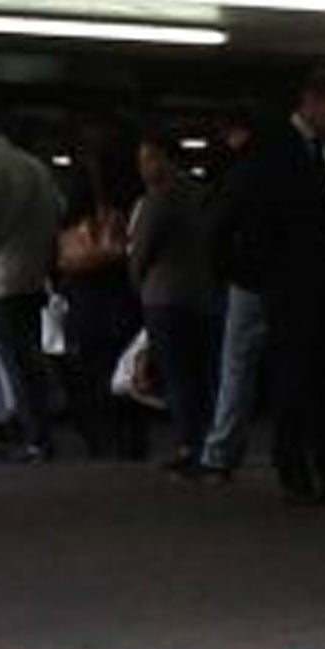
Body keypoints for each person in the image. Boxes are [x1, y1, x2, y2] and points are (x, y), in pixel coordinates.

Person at [242, 68, 325, 502]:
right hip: (291, 282)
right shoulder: (276, 147)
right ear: (311, 100)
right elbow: (276, 208)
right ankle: (294, 463)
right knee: (294, 375)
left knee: (324, 375)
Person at [129, 135, 221, 475]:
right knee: (206, 374)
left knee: (179, 377)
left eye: (150, 158)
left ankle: (190, 445)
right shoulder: (203, 195)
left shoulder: (158, 200)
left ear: (167, 159)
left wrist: (137, 285)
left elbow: (141, 253)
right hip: (205, 296)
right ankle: (212, 443)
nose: (144, 168)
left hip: (165, 298)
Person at [56, 162, 147, 461]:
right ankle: (131, 441)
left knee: (89, 379)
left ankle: (102, 441)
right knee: (123, 375)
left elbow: (63, 264)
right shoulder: (122, 215)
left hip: (85, 309)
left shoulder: (70, 227)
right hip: (121, 305)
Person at [197, 108, 269, 480]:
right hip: (279, 277)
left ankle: (219, 452)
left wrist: (225, 271)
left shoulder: (237, 175)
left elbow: (216, 228)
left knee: (236, 366)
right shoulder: (280, 168)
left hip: (248, 280)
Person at [0, 125, 64, 462]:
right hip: (31, 277)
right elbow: (57, 211)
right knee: (27, 360)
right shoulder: (35, 166)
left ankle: (36, 438)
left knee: (15, 364)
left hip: (0, 278)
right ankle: (39, 433)